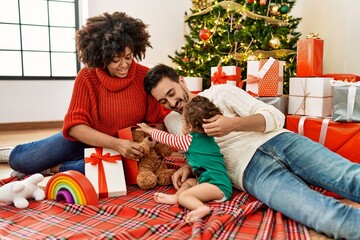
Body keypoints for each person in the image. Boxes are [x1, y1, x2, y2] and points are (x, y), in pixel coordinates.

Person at [143, 63, 360, 239]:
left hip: (280, 141)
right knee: (320, 213)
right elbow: (196, 149)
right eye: (164, 101)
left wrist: (231, 124)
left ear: (181, 81)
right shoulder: (172, 121)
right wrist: (187, 165)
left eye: (172, 93)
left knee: (349, 176)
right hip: (250, 171)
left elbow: (275, 117)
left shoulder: (220, 92)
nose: (172, 102)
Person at [2, 12, 166, 177]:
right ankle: (14, 152)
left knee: (116, 172)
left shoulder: (145, 76)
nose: (124, 65)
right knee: (20, 161)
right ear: (102, 57)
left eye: (128, 57)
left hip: (125, 150)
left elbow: (156, 124)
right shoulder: (87, 76)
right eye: (115, 60)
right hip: (83, 142)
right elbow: (75, 127)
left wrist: (144, 144)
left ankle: (53, 169)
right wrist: (116, 144)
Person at [137, 95, 232, 222]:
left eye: (183, 122)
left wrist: (149, 130)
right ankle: (176, 197)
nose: (182, 125)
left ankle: (201, 208)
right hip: (211, 182)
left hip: (217, 186)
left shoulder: (190, 140)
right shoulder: (208, 137)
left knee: (185, 197)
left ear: (190, 127)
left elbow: (167, 138)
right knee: (188, 182)